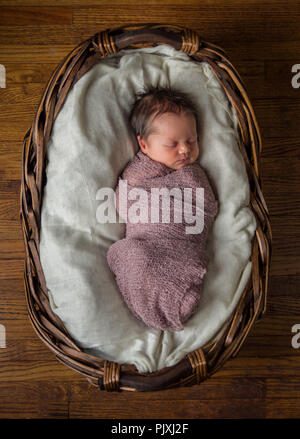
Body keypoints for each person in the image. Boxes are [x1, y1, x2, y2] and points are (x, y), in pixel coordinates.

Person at [106, 85, 219, 331]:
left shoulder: (193, 174)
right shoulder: (138, 173)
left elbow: (207, 207)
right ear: (144, 145)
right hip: (149, 239)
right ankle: (161, 298)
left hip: (180, 242)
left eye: (192, 140)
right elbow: (124, 203)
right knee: (135, 255)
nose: (185, 149)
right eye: (172, 144)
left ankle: (176, 290)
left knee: (157, 259)